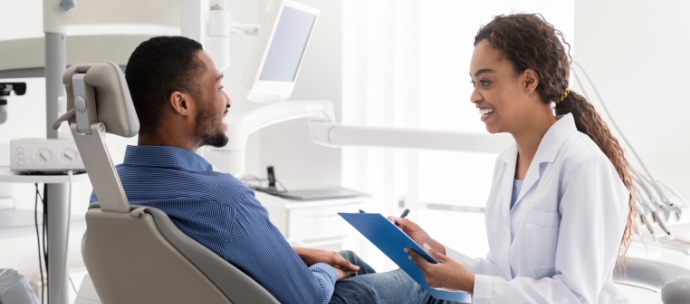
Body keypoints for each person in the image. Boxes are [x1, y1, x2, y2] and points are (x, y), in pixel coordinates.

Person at [89, 36, 463, 304]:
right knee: (426, 280)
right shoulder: (224, 200)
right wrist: (328, 273)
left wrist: (304, 255)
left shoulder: (109, 194)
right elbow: (309, 297)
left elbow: (200, 254)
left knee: (347, 255)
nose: (227, 99)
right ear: (181, 103)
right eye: (218, 87)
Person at [392, 14, 634, 303]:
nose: (474, 96)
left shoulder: (583, 165)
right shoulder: (506, 163)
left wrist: (472, 285)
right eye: (473, 83)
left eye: (485, 81)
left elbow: (575, 296)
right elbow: (504, 275)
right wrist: (433, 249)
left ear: (529, 81)